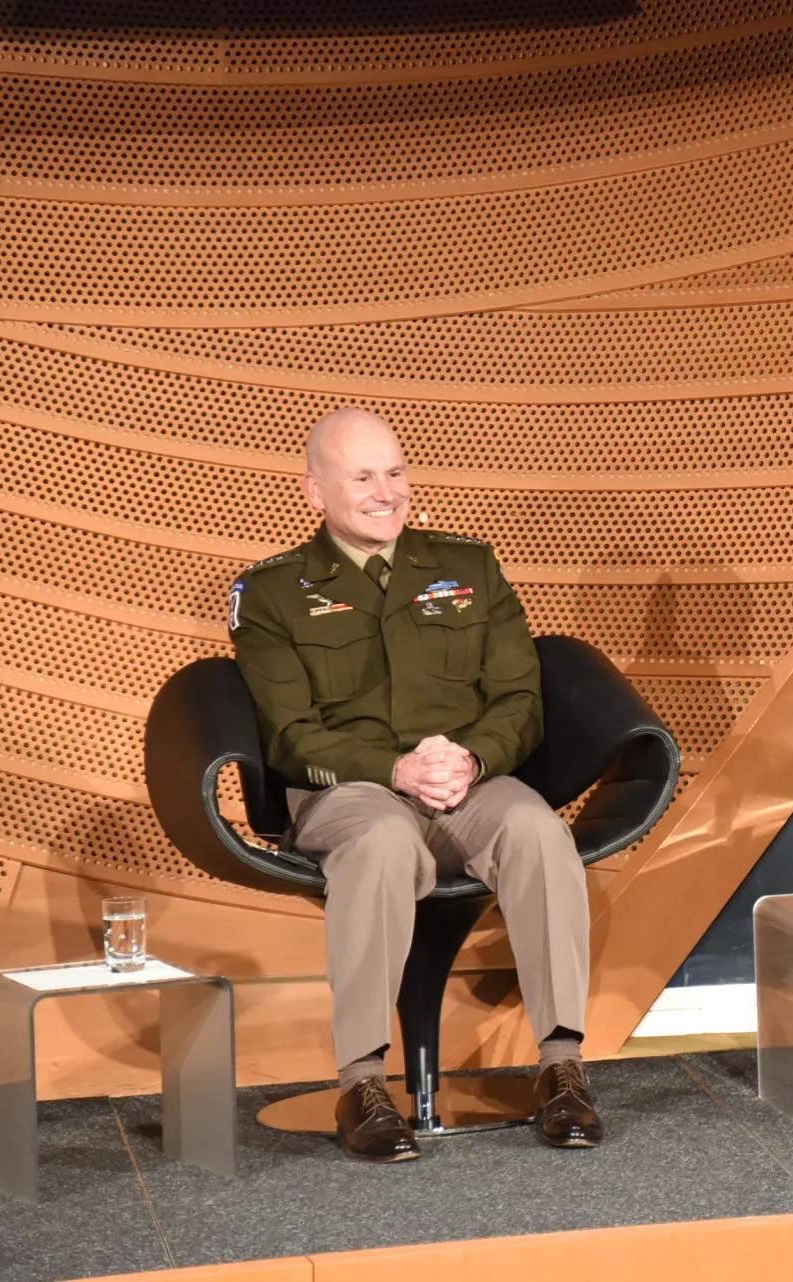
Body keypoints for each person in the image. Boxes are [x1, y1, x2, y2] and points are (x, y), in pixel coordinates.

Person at [228, 406, 600, 1159]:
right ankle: (362, 1082)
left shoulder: (469, 567)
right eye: (362, 476)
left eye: (394, 472)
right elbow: (289, 734)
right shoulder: (270, 593)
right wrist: (392, 769)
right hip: (348, 791)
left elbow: (520, 698)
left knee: (535, 829)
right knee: (384, 840)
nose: (386, 491)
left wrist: (472, 760)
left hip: (468, 781)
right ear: (315, 491)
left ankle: (562, 1069)